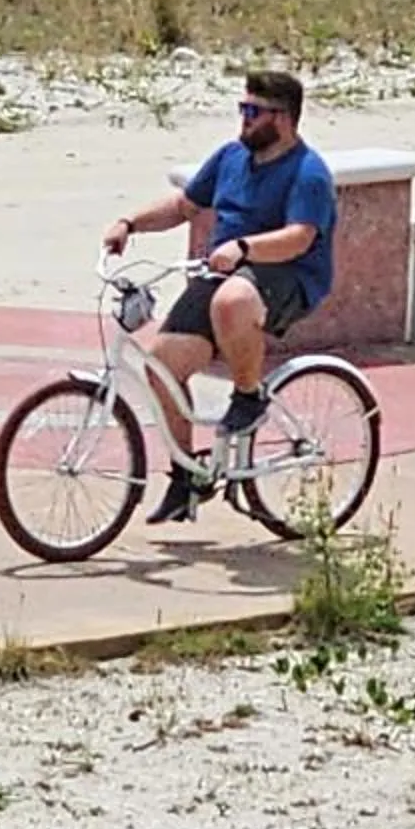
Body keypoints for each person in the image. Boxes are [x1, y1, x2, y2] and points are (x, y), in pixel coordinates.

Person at [102, 68, 338, 524]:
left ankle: (248, 396)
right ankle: (186, 477)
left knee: (232, 301)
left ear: (283, 119)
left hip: (286, 274)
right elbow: (183, 206)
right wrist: (128, 223)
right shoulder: (230, 157)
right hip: (225, 272)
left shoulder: (308, 173)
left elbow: (300, 237)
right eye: (241, 109)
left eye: (254, 112)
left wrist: (245, 247)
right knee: (162, 365)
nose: (244, 120)